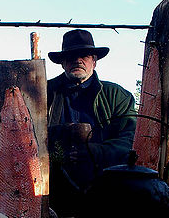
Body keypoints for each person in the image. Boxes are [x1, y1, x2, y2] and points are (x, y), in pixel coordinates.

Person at [47, 29, 137, 217]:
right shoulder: (43, 93)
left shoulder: (118, 96)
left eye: (85, 55)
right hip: (52, 194)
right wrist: (58, 152)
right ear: (63, 62)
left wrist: (95, 151)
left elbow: (130, 141)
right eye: (71, 55)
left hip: (105, 192)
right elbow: (27, 138)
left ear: (94, 61)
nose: (77, 60)